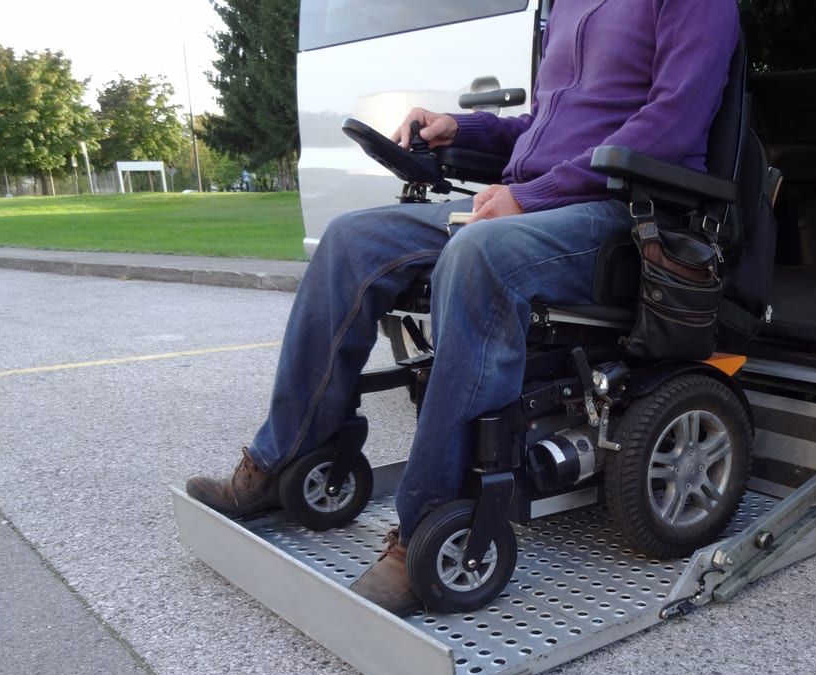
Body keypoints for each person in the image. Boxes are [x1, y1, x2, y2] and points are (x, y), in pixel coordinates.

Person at [186, 0, 740, 613]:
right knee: (351, 239)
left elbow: (674, 125)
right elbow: (544, 128)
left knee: (481, 253)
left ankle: (428, 521)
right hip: (543, 203)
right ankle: (284, 456)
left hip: (626, 215)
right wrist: (461, 127)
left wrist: (533, 196)